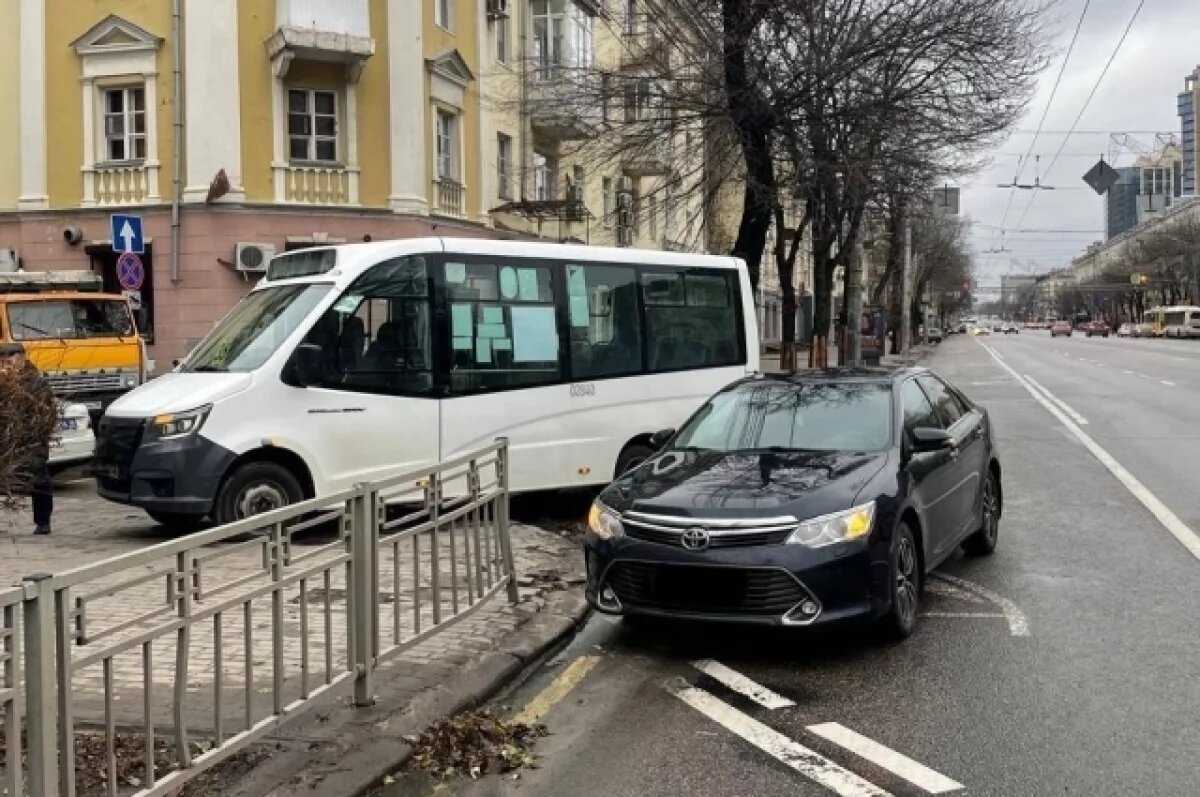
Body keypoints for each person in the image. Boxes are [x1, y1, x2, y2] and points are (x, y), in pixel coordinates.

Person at [0, 342, 54, 534]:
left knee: (38, 479)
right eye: (2, 360)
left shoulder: (36, 382)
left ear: (22, 358)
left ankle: (43, 522)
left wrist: (33, 434)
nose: (6, 363)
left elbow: (45, 413)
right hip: (6, 441)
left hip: (32, 440)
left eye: (10, 359)